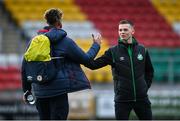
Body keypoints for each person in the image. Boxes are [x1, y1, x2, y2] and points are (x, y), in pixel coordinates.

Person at [21, 8, 101, 120]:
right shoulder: (65, 41)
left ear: (47, 23)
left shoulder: (34, 41)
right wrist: (96, 45)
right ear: (59, 23)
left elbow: (25, 68)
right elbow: (87, 59)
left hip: (39, 92)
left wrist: (27, 90)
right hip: (58, 92)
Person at [85, 19, 154, 120]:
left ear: (132, 31)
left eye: (125, 30)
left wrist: (144, 88)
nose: (122, 32)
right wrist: (96, 45)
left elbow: (149, 71)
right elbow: (93, 65)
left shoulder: (142, 50)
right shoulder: (113, 52)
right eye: (120, 30)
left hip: (142, 99)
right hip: (122, 100)